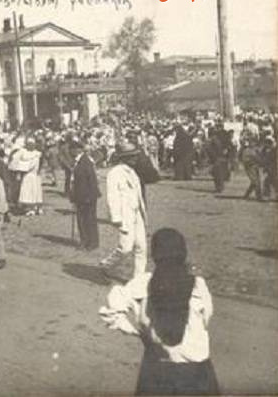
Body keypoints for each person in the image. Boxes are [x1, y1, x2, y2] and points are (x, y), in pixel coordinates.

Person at [99, 228, 219, 395]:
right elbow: (206, 318)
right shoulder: (197, 285)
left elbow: (112, 310)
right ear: (183, 253)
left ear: (154, 256)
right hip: (196, 373)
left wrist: (139, 331)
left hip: (156, 370)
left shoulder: (142, 284)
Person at [101, 141, 148, 278]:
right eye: (132, 156)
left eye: (135, 156)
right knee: (126, 248)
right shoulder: (115, 173)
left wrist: (143, 214)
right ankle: (107, 265)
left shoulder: (133, 172)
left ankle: (139, 278)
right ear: (124, 158)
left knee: (141, 248)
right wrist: (116, 217)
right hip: (125, 214)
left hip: (137, 213)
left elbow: (139, 196)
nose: (135, 159)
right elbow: (112, 196)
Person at [69, 140, 101, 250]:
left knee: (88, 219)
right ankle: (86, 241)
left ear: (77, 150)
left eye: (71, 149)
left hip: (87, 196)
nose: (70, 152)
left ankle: (90, 242)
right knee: (82, 219)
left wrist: (89, 196)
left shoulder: (85, 161)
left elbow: (92, 179)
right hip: (80, 195)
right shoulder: (78, 161)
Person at [18, 137, 44, 216]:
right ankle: (30, 207)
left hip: (32, 175)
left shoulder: (36, 155)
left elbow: (31, 166)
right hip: (27, 175)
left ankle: (35, 207)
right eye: (29, 144)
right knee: (28, 192)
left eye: (32, 144)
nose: (30, 146)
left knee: (34, 191)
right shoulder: (24, 153)